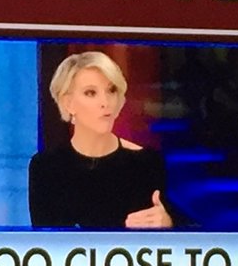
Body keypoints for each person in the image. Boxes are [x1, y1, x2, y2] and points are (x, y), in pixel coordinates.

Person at [29, 51, 173, 228]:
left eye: (111, 90)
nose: (105, 102)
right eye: (91, 93)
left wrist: (167, 225)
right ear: (68, 103)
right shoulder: (46, 167)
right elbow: (45, 239)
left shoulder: (147, 163)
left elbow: (184, 234)